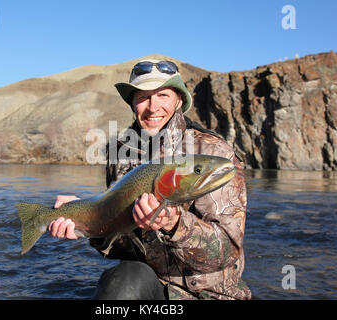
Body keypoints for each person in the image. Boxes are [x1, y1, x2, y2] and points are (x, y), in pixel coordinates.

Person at [48, 59, 252, 300]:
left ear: (179, 100)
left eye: (163, 95)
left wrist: (174, 224)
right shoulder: (122, 153)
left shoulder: (214, 154)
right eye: (143, 97)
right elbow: (123, 245)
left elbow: (226, 254)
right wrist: (88, 223)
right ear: (132, 103)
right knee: (122, 281)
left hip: (208, 294)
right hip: (147, 286)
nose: (153, 107)